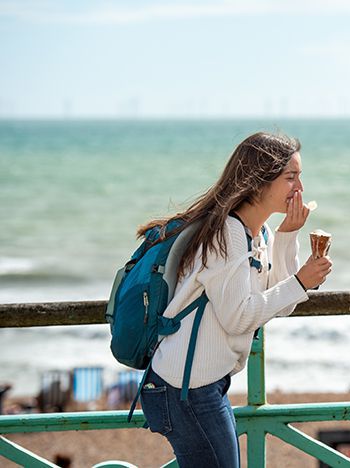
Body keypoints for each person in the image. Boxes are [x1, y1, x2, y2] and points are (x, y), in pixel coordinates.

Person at [138, 132, 332, 467]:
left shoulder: (259, 233)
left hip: (205, 385)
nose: (299, 188)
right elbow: (238, 317)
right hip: (185, 389)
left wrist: (288, 235)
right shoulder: (226, 232)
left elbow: (282, 304)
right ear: (259, 181)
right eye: (291, 178)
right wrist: (302, 281)